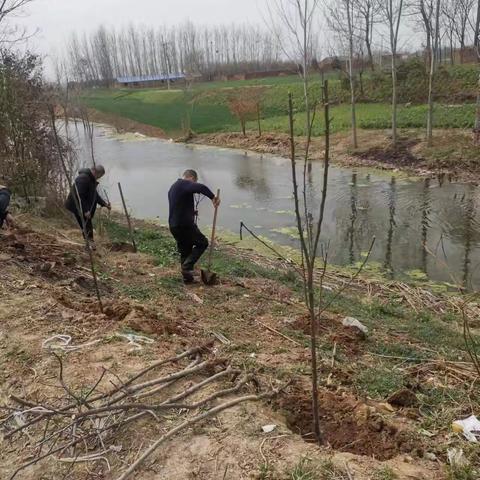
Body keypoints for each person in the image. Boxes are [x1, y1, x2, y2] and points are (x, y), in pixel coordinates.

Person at [168, 169, 220, 283]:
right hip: (184, 225)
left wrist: (191, 212)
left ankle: (187, 278)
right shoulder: (184, 183)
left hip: (174, 225)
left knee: (185, 250)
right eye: (194, 181)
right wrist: (213, 197)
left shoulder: (173, 187)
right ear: (191, 178)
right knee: (202, 243)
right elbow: (201, 188)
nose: (193, 184)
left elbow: (178, 206)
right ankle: (187, 267)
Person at [65, 165, 111, 248]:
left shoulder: (90, 179)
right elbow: (79, 196)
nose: (98, 178)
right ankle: (90, 245)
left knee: (87, 225)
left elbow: (95, 196)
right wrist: (85, 210)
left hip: (83, 207)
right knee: (86, 225)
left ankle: (90, 244)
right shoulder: (83, 178)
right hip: (77, 206)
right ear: (95, 172)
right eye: (99, 176)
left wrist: (105, 204)